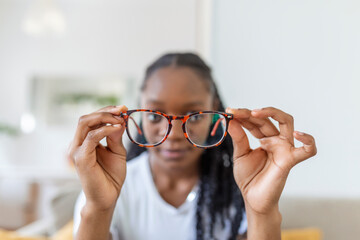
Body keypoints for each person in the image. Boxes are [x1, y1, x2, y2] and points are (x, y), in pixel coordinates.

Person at [69, 53, 317, 240]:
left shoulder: (239, 188)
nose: (174, 134)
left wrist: (262, 212)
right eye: (155, 115)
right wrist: (98, 207)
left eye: (195, 115)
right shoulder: (108, 190)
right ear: (139, 114)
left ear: (215, 113)